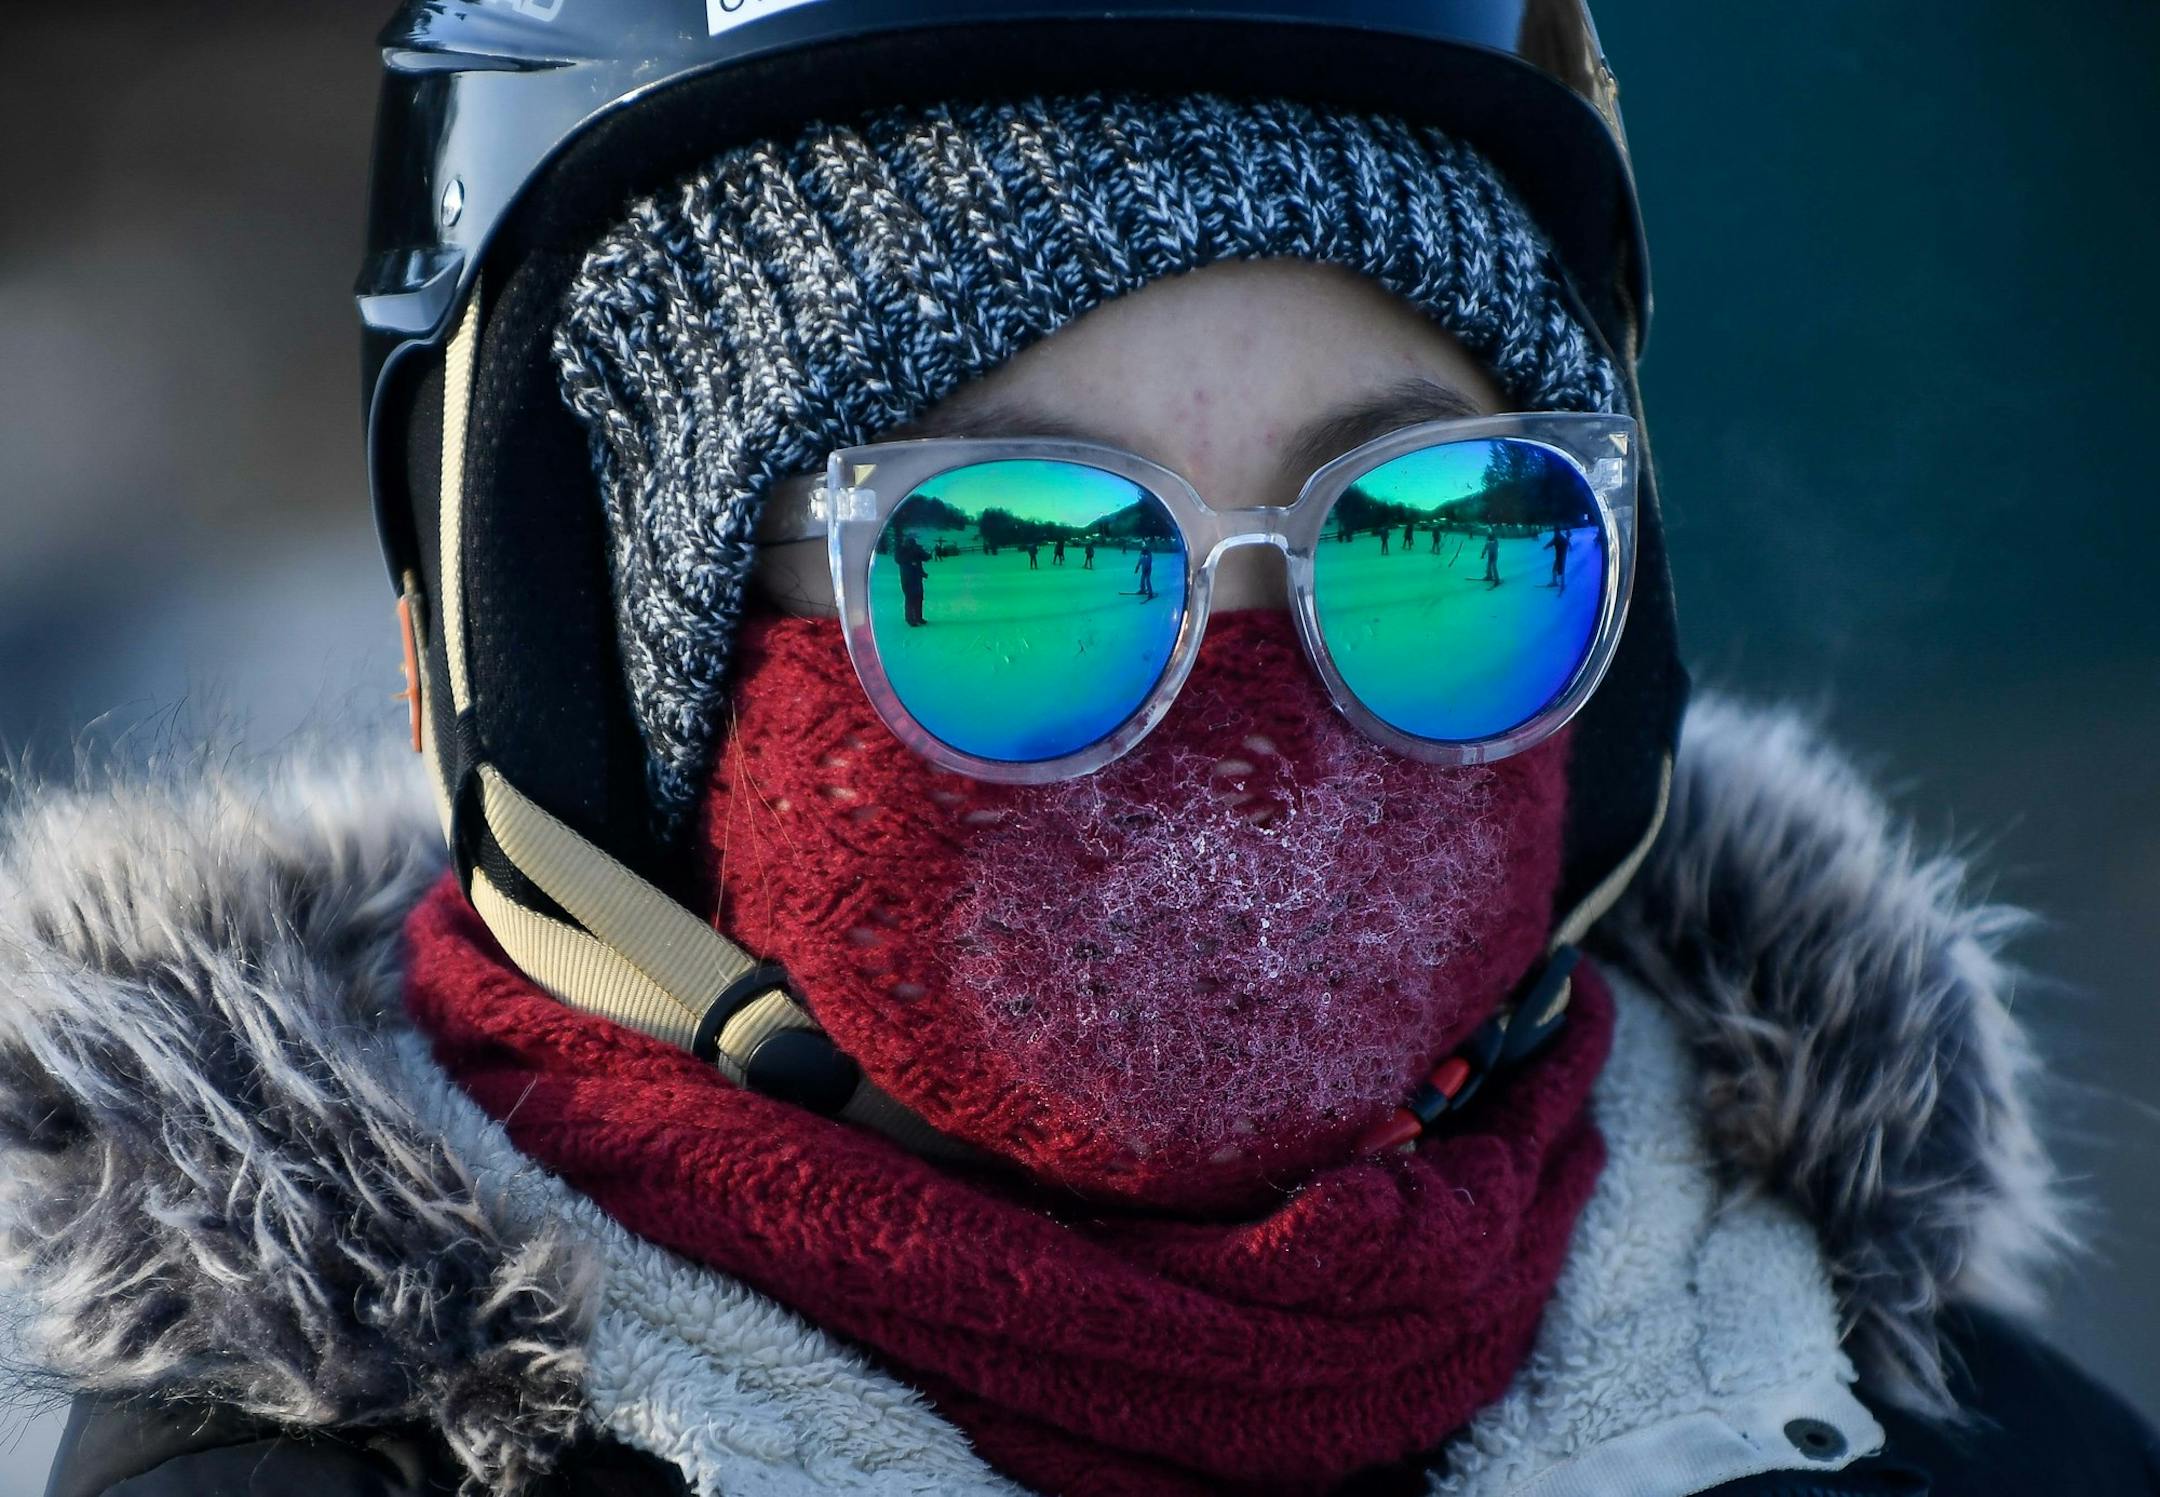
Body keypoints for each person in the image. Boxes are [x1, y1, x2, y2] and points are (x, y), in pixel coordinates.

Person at [9, 6, 2153, 1497]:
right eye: (1008, 554)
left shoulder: (1978, 1452)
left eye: (1438, 539)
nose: (1251, 735)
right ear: (580, 686)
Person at [896, 530, 931, 626]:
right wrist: (912, 558)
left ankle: (918, 617)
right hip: (907, 579)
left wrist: (927, 553)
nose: (911, 545)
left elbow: (926, 557)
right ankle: (910, 619)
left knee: (919, 598)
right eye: (909, 543)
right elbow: (898, 559)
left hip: (917, 578)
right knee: (910, 598)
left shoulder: (916, 550)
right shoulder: (902, 551)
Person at [1545, 524, 1571, 588]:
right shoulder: (1559, 537)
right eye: (1555, 531)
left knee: (1560, 570)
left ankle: (1561, 584)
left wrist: (1546, 546)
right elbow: (1567, 542)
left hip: (1561, 557)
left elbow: (1551, 543)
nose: (1555, 532)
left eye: (1555, 531)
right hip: (1560, 556)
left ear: (1557, 531)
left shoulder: (1558, 537)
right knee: (1556, 569)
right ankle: (1555, 582)